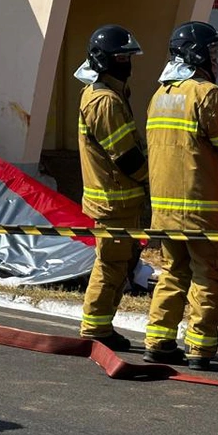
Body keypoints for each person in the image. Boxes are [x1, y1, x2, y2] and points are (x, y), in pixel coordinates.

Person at [144, 22, 218, 370]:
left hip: (165, 211)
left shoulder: (159, 96)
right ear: (197, 54)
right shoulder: (206, 95)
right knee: (209, 276)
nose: (216, 61)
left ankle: (158, 341)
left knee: (173, 274)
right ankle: (200, 349)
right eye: (213, 53)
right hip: (205, 209)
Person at [75, 24, 147, 351]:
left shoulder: (114, 94)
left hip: (121, 200)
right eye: (121, 56)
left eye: (128, 56)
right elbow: (128, 159)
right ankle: (95, 328)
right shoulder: (104, 101)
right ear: (103, 60)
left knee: (121, 264)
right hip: (113, 201)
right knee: (111, 264)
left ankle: (102, 325)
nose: (127, 62)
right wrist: (156, 179)